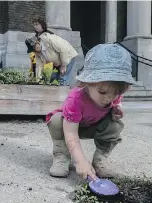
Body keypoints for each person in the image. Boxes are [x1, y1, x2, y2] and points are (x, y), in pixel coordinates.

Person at [45, 43, 136, 180]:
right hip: (68, 127)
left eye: (116, 93)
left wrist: (118, 108)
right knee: (57, 120)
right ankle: (61, 155)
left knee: (115, 124)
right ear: (86, 82)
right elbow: (71, 133)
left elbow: (117, 101)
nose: (108, 98)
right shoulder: (76, 98)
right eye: (102, 92)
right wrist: (80, 161)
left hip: (93, 125)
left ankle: (100, 160)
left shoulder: (113, 94)